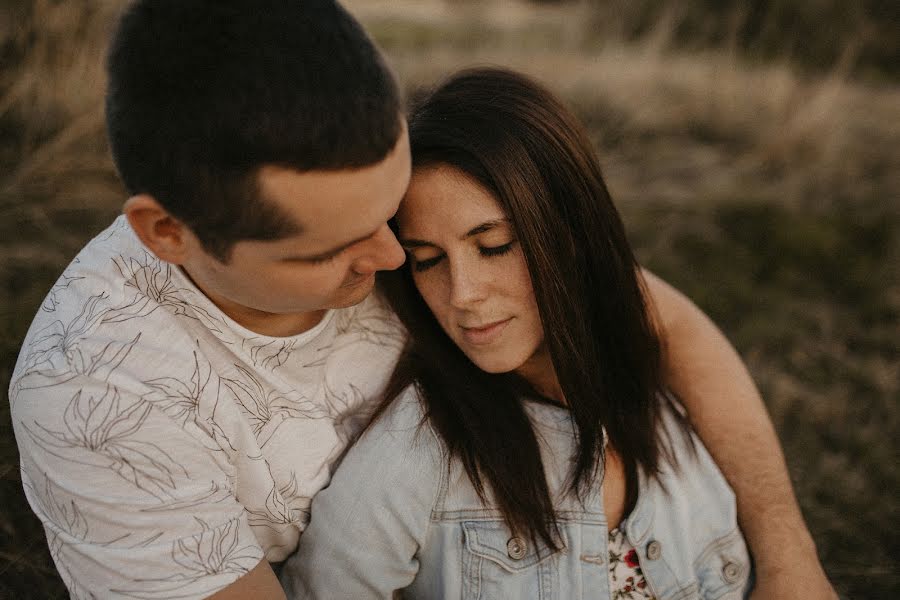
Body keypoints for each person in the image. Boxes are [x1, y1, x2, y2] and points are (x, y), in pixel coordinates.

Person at [7, 2, 833, 599]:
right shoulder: (97, 396)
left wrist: (790, 558)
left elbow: (660, 319)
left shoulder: (407, 219)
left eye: (391, 208)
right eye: (332, 248)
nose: (397, 259)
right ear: (170, 233)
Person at [281, 68, 831, 600]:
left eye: (494, 245)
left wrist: (792, 566)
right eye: (427, 260)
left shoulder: (662, 392)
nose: (462, 293)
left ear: (571, 234)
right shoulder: (409, 460)